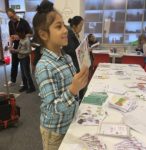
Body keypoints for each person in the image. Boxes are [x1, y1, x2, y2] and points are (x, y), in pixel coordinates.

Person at [32, 1, 89, 150]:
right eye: (58, 26)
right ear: (44, 34)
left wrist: (81, 79)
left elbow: (72, 88)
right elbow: (50, 107)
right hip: (55, 132)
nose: (65, 30)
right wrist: (73, 90)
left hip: (70, 123)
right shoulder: (44, 67)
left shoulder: (67, 58)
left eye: (64, 25)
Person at [6, 8, 32, 86]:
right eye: (9, 17)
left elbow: (31, 33)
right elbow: (11, 36)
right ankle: (12, 80)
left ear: (15, 13)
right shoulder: (10, 23)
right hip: (16, 45)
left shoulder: (23, 22)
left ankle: (24, 81)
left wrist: (20, 36)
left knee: (23, 64)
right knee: (14, 63)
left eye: (12, 16)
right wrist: (10, 47)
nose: (11, 18)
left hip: (23, 45)